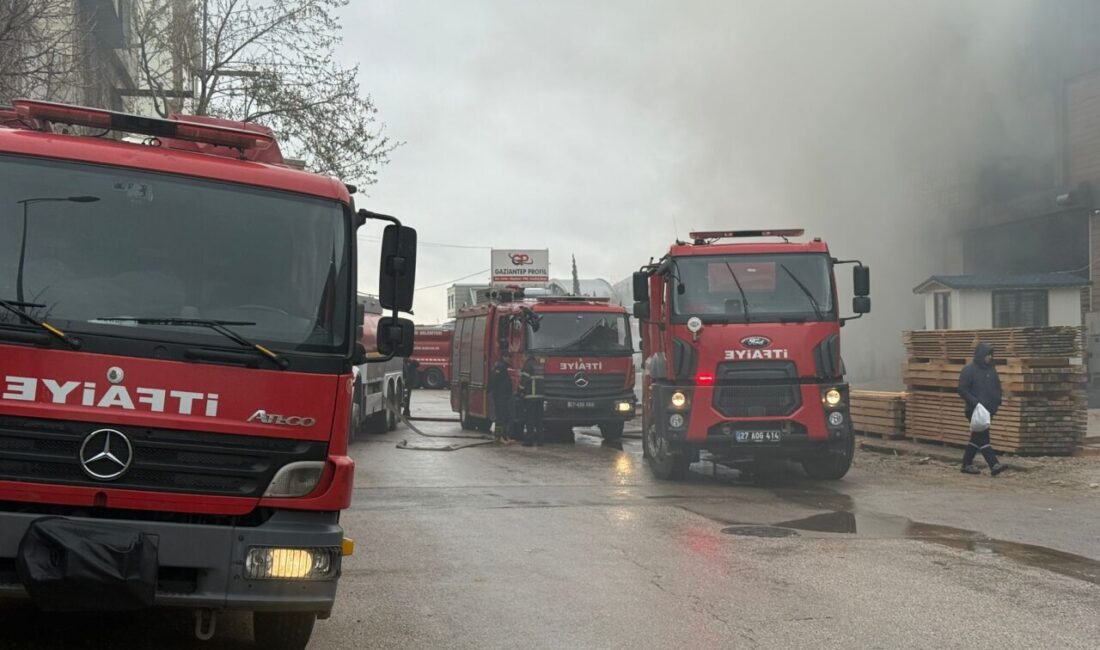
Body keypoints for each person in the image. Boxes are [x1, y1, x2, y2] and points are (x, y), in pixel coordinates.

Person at [957, 342, 1007, 476]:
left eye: (991, 355)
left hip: (989, 410)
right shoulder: (969, 370)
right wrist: (975, 403)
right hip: (974, 411)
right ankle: (994, 464)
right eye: (987, 355)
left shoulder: (991, 369)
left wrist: (997, 402)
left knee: (976, 438)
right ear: (981, 355)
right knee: (983, 437)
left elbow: (997, 387)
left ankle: (966, 464)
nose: (989, 357)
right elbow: (962, 390)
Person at [519, 355, 544, 447]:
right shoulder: (538, 365)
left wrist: (520, 390)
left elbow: (524, 380)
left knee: (530, 419)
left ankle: (529, 440)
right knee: (539, 420)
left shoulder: (528, 365)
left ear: (526, 357)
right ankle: (540, 440)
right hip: (540, 396)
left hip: (530, 396)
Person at [489, 359, 514, 443]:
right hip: (500, 396)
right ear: (505, 357)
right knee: (500, 416)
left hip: (504, 396)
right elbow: (494, 380)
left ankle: (504, 436)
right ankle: (499, 437)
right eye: (509, 357)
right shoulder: (500, 367)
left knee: (506, 416)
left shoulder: (504, 367)